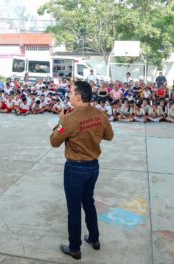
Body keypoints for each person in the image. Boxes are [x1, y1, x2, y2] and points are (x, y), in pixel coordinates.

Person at [50, 80, 114, 260]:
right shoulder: (100, 114)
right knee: (88, 202)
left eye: (71, 92)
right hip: (93, 166)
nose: (69, 95)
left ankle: (74, 248)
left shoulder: (69, 118)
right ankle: (94, 238)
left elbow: (54, 142)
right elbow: (109, 136)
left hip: (75, 168)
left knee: (74, 209)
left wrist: (60, 122)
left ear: (78, 96)